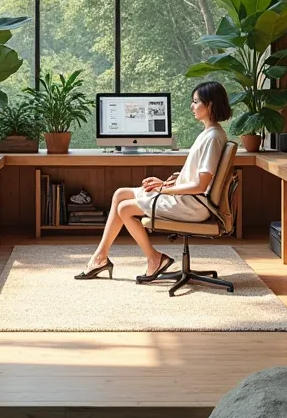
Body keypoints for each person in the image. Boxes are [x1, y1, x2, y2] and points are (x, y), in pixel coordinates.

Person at [75, 81, 231, 282]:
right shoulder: (209, 134)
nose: (192, 106)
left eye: (195, 102)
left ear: (209, 105)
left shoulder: (212, 138)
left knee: (125, 208)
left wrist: (164, 192)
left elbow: (200, 186)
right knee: (120, 194)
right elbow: (193, 177)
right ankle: (100, 257)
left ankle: (154, 259)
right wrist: (165, 184)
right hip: (189, 199)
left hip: (192, 204)